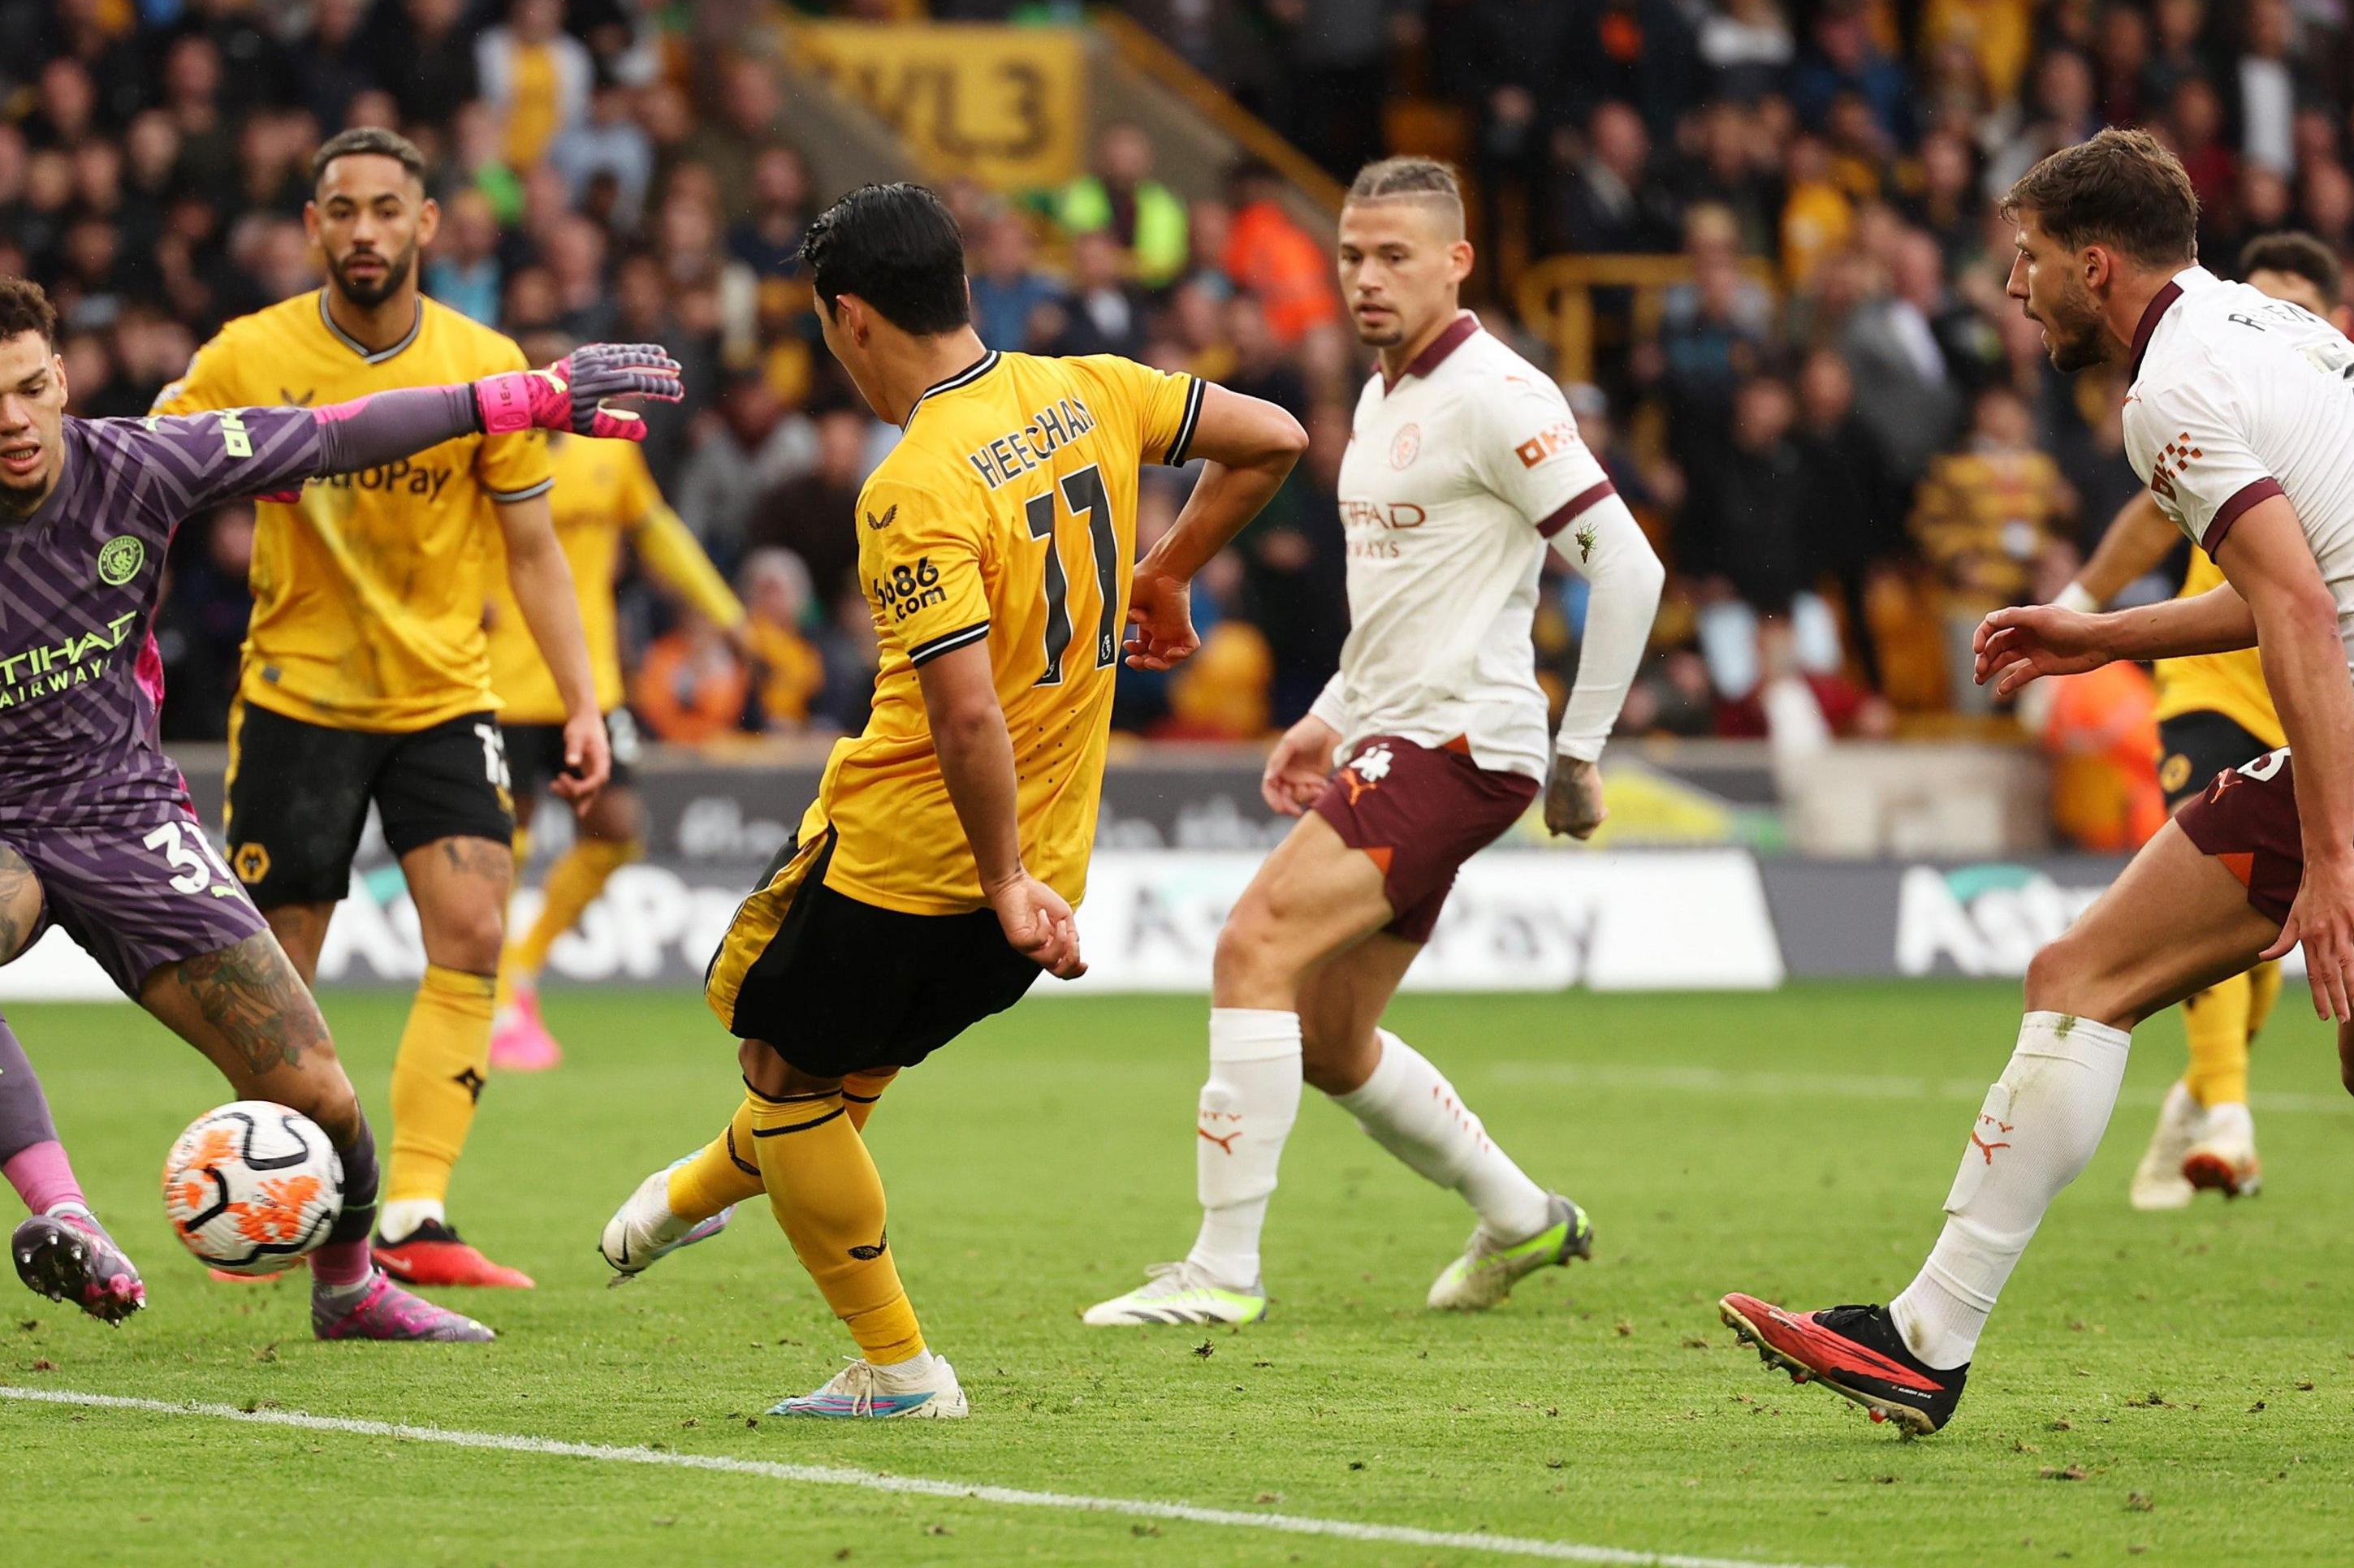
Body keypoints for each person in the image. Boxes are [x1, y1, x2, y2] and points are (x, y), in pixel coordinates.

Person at [1722, 130, 2354, 1437]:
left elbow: (2299, 602)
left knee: (2078, 979)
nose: (2016, 291)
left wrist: (2336, 851)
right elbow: (2327, 578)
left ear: (2095, 262)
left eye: (2027, 261)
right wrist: (2104, 634)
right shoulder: (2275, 327)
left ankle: (1924, 1338)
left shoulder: (2167, 390)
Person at [0, 274, 673, 1340]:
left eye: (29, 386)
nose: (11, 417)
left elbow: (331, 432)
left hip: (131, 822)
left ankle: (352, 1289)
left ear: (62, 378)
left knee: (321, 1096)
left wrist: (514, 398)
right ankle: (66, 1218)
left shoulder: (140, 467)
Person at [594, 183, 1305, 1418]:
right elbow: (1278, 438)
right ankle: (684, 1204)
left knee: (787, 1075)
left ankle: (899, 1370)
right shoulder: (1093, 388)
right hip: (1049, 860)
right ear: (965, 289)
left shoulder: (912, 485)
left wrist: (996, 879)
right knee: (835, 1086)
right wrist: (1168, 574)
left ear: (851, 319)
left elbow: (965, 712)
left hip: (920, 857)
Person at [1082, 158, 1664, 1328]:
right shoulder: (1390, 400)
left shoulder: (1500, 394)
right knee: (1327, 1039)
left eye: (1395, 255)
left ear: (1457, 262)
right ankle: (1522, 1216)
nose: (1366, 279)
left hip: (1460, 744)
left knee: (1252, 947)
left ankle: (1223, 1271)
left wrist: (1580, 751)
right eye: (1351, 255)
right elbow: (1413, 603)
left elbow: (1630, 566)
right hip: (1400, 731)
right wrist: (1332, 712)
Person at [152, 127, 613, 1290]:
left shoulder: (483, 359)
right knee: (275, 974)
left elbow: (533, 550)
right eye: (342, 210)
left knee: (470, 933)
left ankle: (415, 1212)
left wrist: (584, 704)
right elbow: (141, 480)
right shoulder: (249, 356)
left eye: (386, 210)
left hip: (443, 696)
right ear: (313, 227)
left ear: (428, 226)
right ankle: (273, 1205)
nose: (365, 231)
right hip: (299, 698)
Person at [2061, 230, 2354, 1212]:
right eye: (2264, 300)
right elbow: (2152, 512)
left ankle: (2199, 1096)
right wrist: (2086, 603)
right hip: (2213, 687)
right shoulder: (2210, 391)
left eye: (2300, 303)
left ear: (2338, 322)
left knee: (2254, 934)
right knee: (2192, 884)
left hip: (2335, 712)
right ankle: (2227, 1113)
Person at [486, 427, 743, 1072]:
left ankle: (518, 969)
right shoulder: (486, 449)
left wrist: (727, 613)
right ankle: (489, 997)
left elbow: (660, 535)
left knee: (618, 832)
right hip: (500, 682)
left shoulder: (612, 456)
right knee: (502, 841)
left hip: (588, 686)